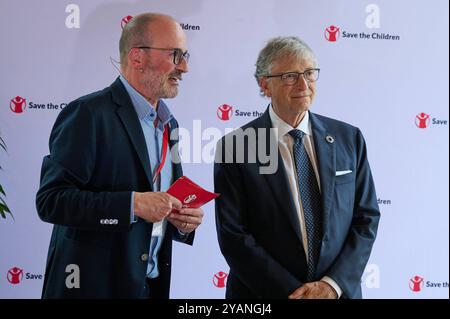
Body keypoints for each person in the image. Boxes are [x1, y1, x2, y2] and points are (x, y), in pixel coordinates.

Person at [36, 13, 204, 299]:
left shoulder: (169, 124)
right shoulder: (88, 114)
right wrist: (133, 204)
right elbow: (51, 202)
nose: (185, 67)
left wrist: (182, 222)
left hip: (149, 286)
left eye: (185, 55)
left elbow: (161, 208)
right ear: (137, 58)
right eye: (175, 55)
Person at [214, 36, 380, 299]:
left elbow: (366, 218)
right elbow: (234, 235)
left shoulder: (349, 138)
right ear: (264, 84)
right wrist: (295, 294)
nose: (303, 84)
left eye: (309, 73)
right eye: (290, 76)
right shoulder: (237, 145)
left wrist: (332, 285)